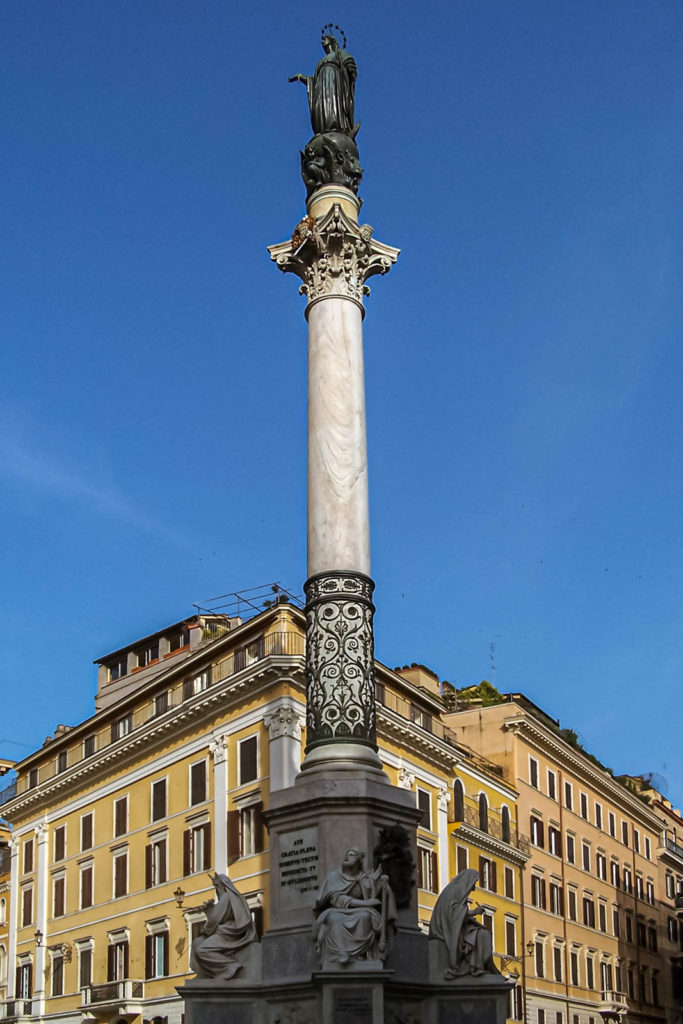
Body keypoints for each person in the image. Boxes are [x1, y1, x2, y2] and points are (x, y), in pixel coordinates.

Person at [313, 847, 396, 967]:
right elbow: (337, 899)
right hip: (338, 910)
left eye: (351, 855)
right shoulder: (334, 876)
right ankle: (342, 953)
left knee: (365, 916)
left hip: (361, 911)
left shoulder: (363, 878)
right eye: (347, 854)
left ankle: (359, 954)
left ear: (358, 861)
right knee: (334, 918)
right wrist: (366, 903)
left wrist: (381, 885)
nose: (347, 857)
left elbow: (372, 895)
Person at [429, 868, 498, 978]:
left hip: (453, 926)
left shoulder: (455, 889)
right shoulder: (458, 890)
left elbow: (457, 914)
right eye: (474, 883)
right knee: (483, 935)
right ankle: (476, 966)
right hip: (447, 929)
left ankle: (479, 966)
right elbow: (456, 913)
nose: (474, 888)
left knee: (481, 933)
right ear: (469, 880)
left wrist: (473, 920)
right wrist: (474, 912)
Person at [289, 34, 358, 138]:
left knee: (334, 103)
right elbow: (314, 81)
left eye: (324, 39)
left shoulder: (339, 53)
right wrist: (301, 77)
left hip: (334, 80)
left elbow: (349, 64)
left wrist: (351, 72)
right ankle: (322, 127)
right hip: (321, 85)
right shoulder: (320, 63)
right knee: (321, 105)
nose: (322, 42)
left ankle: (335, 126)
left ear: (331, 41)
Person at [190, 873, 256, 980]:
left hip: (229, 932)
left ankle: (230, 966)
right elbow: (218, 917)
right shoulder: (231, 897)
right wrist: (210, 910)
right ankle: (204, 974)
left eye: (217, 886)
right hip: (226, 931)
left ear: (224, 885)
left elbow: (215, 919)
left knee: (202, 950)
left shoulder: (226, 897)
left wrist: (205, 929)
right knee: (196, 942)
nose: (216, 890)